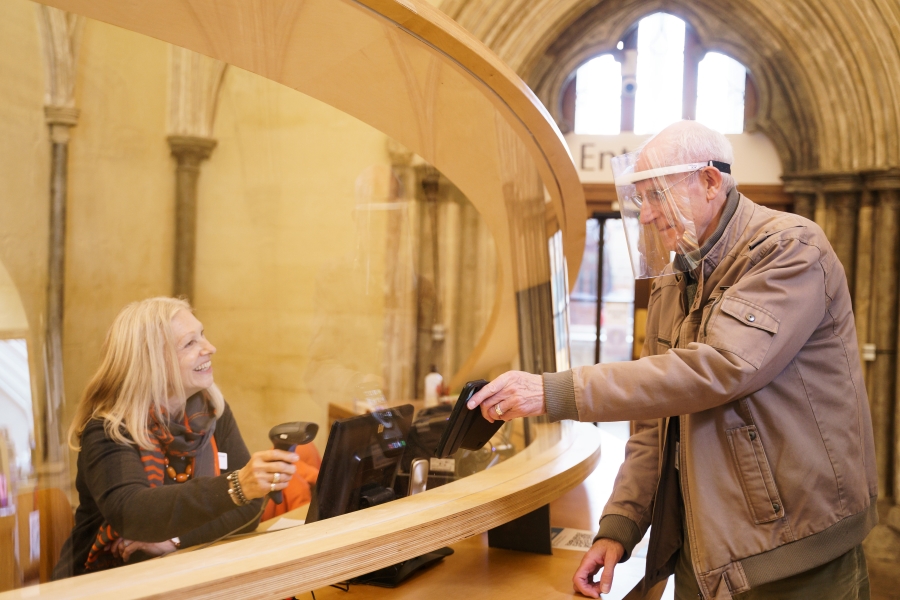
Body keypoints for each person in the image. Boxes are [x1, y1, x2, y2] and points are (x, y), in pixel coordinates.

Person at [468, 121, 877, 599]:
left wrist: (556, 391)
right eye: (641, 199)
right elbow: (654, 423)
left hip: (794, 552)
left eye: (657, 195)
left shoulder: (789, 248)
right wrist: (619, 526)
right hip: (703, 549)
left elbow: (720, 368)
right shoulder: (674, 276)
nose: (646, 215)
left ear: (709, 182)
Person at [53, 297, 300, 579]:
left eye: (202, 335)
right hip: (101, 582)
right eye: (190, 343)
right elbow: (132, 513)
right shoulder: (108, 428)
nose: (210, 348)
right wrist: (235, 487)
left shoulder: (213, 412)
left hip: (181, 573)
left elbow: (250, 507)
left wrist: (175, 540)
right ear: (152, 362)